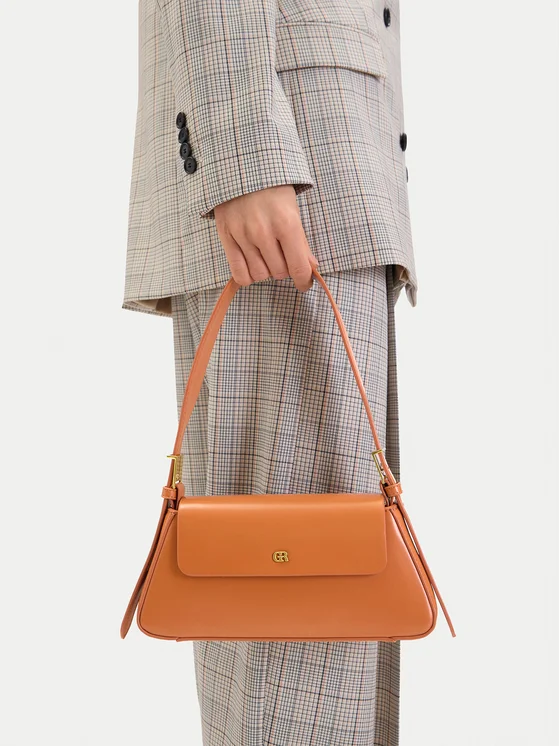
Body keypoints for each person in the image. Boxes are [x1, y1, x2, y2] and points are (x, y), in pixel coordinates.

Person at [122, 1, 418, 744]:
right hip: (296, 172)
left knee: (331, 659)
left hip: (327, 167)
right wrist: (243, 149)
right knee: (299, 670)